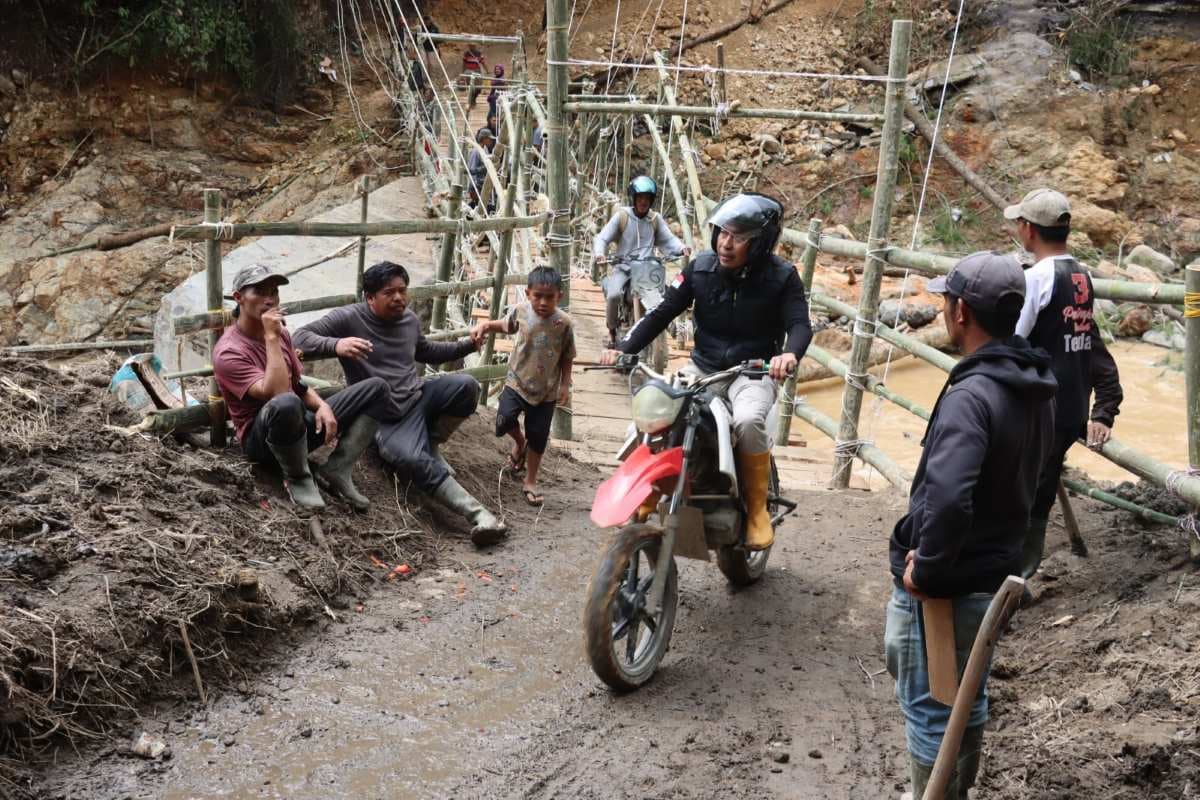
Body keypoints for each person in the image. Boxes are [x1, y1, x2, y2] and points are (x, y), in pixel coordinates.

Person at [886, 252, 1057, 799]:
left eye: (945, 300)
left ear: (960, 313)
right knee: (966, 695)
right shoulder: (1032, 386)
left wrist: (928, 570)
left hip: (948, 587)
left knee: (930, 702)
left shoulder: (971, 396)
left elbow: (949, 497)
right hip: (995, 571)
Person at [599, 192, 811, 551]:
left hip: (753, 372)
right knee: (658, 408)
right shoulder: (700, 269)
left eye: (739, 237)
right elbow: (660, 313)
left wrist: (789, 354)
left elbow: (800, 325)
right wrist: (623, 349)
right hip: (703, 367)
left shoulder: (782, 277)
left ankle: (757, 509)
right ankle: (648, 488)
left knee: (746, 420)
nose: (726, 244)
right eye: (723, 233)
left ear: (760, 244)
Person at [292, 261, 507, 546]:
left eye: (402, 291)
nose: (398, 298)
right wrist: (337, 345)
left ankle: (431, 441)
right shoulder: (349, 318)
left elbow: (426, 351)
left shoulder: (408, 320)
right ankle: (480, 515)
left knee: (466, 386)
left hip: (418, 397)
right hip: (385, 415)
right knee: (411, 458)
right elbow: (299, 336)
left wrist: (468, 345)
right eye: (389, 292)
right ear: (369, 297)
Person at [1005, 188, 1123, 594]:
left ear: (1027, 229)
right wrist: (1103, 407)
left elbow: (1014, 342)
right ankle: (1023, 573)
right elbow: (1089, 342)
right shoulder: (1082, 275)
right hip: (1071, 406)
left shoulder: (1036, 278)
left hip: (1039, 407)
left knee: (1019, 492)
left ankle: (1007, 582)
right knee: (1040, 489)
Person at [212, 265, 389, 512]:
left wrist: (322, 405)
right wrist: (271, 338)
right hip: (263, 442)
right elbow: (278, 394)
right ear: (239, 297)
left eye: (274, 292)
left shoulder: (282, 334)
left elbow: (298, 385)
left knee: (377, 388)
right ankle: (298, 478)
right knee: (286, 403)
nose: (270, 299)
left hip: (299, 428)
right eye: (260, 292)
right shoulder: (229, 351)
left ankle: (338, 468)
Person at [474, 267, 575, 506]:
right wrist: (487, 326)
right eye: (537, 295)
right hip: (516, 381)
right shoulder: (521, 311)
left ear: (559, 296)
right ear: (528, 293)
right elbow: (507, 326)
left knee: (538, 436)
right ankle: (519, 442)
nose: (542, 302)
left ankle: (530, 480)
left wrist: (564, 385)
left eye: (549, 297)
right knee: (504, 419)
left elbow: (568, 356)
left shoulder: (564, 323)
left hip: (546, 390)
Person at [592, 175, 691, 347]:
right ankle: (612, 331)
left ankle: (666, 326)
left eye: (647, 198)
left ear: (651, 200)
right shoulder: (622, 216)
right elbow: (602, 238)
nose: (643, 201)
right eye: (640, 197)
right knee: (614, 295)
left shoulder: (654, 219)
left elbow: (669, 239)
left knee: (663, 295)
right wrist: (600, 253)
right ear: (634, 198)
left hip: (647, 269)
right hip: (623, 267)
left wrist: (681, 248)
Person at [467, 127, 496, 210]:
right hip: (477, 187)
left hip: (483, 185)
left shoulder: (485, 149)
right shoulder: (476, 151)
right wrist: (473, 189)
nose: (491, 141)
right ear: (484, 139)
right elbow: (472, 171)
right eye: (489, 139)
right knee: (480, 207)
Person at [462, 43, 486, 109]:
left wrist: (487, 70)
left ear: (475, 46)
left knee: (478, 88)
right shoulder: (466, 53)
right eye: (470, 45)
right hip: (468, 71)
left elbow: (483, 62)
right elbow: (464, 63)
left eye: (473, 46)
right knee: (470, 87)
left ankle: (473, 99)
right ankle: (471, 101)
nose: (471, 47)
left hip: (477, 71)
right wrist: (463, 73)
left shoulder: (479, 53)